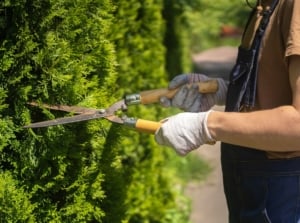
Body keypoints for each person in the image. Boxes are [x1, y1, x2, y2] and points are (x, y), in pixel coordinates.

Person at [155, 0, 300, 222]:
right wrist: (226, 92)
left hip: (280, 191)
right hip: (252, 180)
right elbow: (275, 87)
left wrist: (208, 125)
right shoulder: (266, 5)